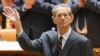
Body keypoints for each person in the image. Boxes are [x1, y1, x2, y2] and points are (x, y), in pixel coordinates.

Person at [3, 4, 94, 56]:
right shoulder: (47, 37)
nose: (62, 18)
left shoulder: (83, 42)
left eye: (65, 15)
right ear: (53, 19)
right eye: (59, 15)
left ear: (71, 18)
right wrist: (18, 24)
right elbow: (28, 46)